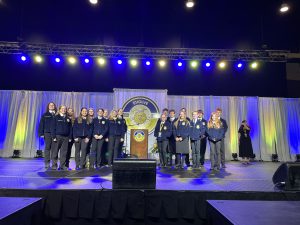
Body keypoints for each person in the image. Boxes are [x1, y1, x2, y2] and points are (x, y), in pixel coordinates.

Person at [50, 105, 72, 170]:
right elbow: (52, 127)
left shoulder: (68, 119)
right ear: (59, 110)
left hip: (66, 138)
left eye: (65, 109)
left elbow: (70, 128)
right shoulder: (55, 117)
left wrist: (70, 137)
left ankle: (62, 165)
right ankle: (54, 165)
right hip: (57, 137)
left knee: (64, 152)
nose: (64, 110)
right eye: (62, 109)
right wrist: (53, 136)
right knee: (55, 151)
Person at [38, 102, 57, 169]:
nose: (51, 106)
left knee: (54, 149)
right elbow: (41, 124)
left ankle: (54, 164)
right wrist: (41, 133)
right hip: (47, 133)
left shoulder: (57, 114)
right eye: (50, 105)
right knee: (47, 148)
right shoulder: (45, 115)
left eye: (53, 105)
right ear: (48, 107)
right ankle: (47, 163)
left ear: (54, 106)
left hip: (55, 134)